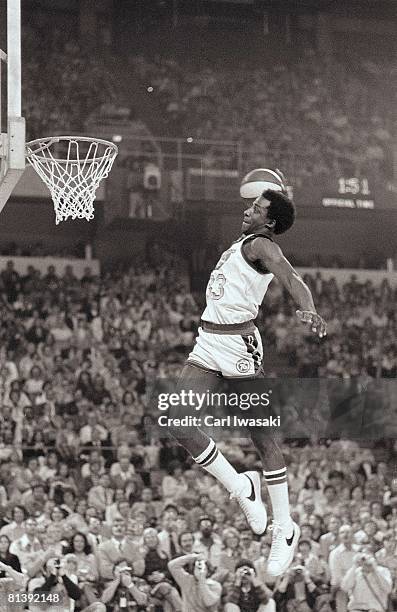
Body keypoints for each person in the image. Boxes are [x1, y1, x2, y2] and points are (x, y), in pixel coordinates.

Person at [167, 168, 326, 577]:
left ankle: (285, 525)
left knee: (263, 438)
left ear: (268, 222)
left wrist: (307, 307)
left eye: (256, 208)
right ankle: (241, 486)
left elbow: (290, 275)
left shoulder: (260, 245)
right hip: (208, 341)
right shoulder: (244, 242)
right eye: (251, 205)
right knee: (179, 422)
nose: (247, 209)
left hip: (239, 348)